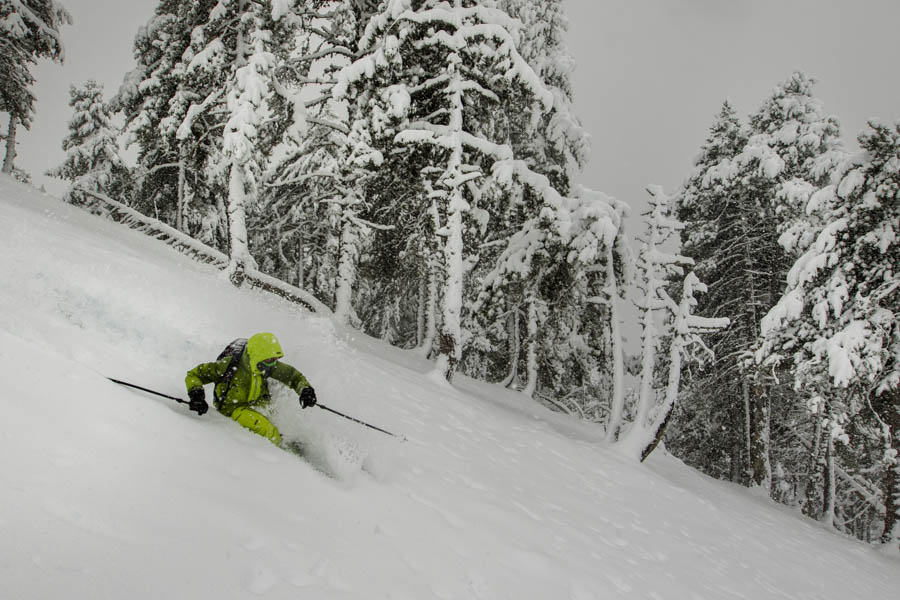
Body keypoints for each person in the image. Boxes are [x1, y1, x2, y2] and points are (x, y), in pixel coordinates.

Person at [185, 332, 316, 446]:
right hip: (232, 408)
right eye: (269, 360)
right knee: (268, 430)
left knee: (277, 421)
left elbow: (294, 376)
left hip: (257, 402)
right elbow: (194, 375)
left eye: (274, 360)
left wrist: (305, 390)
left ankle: (286, 442)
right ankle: (284, 455)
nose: (272, 364)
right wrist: (196, 395)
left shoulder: (266, 364)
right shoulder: (228, 365)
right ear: (257, 355)